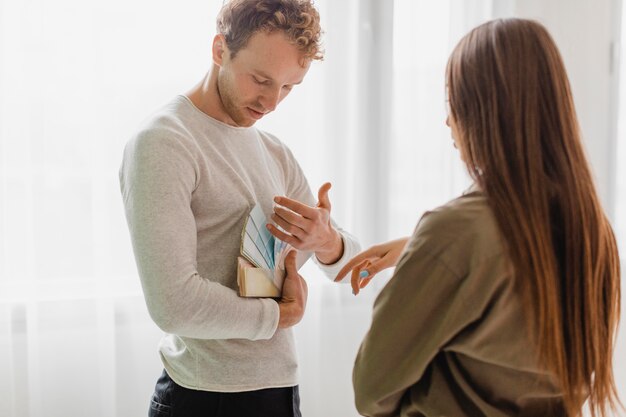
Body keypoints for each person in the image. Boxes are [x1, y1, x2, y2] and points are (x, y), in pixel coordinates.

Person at [336, 18, 621, 417]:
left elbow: (371, 389)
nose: (447, 121)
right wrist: (422, 248)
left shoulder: (456, 233)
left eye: (452, 102)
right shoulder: (594, 233)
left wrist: (434, 249)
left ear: (483, 112)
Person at [119, 1, 360, 416]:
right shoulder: (164, 142)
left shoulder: (273, 152)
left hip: (281, 393)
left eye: (289, 87)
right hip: (203, 398)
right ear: (219, 50)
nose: (272, 102)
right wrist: (277, 317)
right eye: (261, 79)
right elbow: (173, 304)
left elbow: (350, 268)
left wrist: (327, 241)